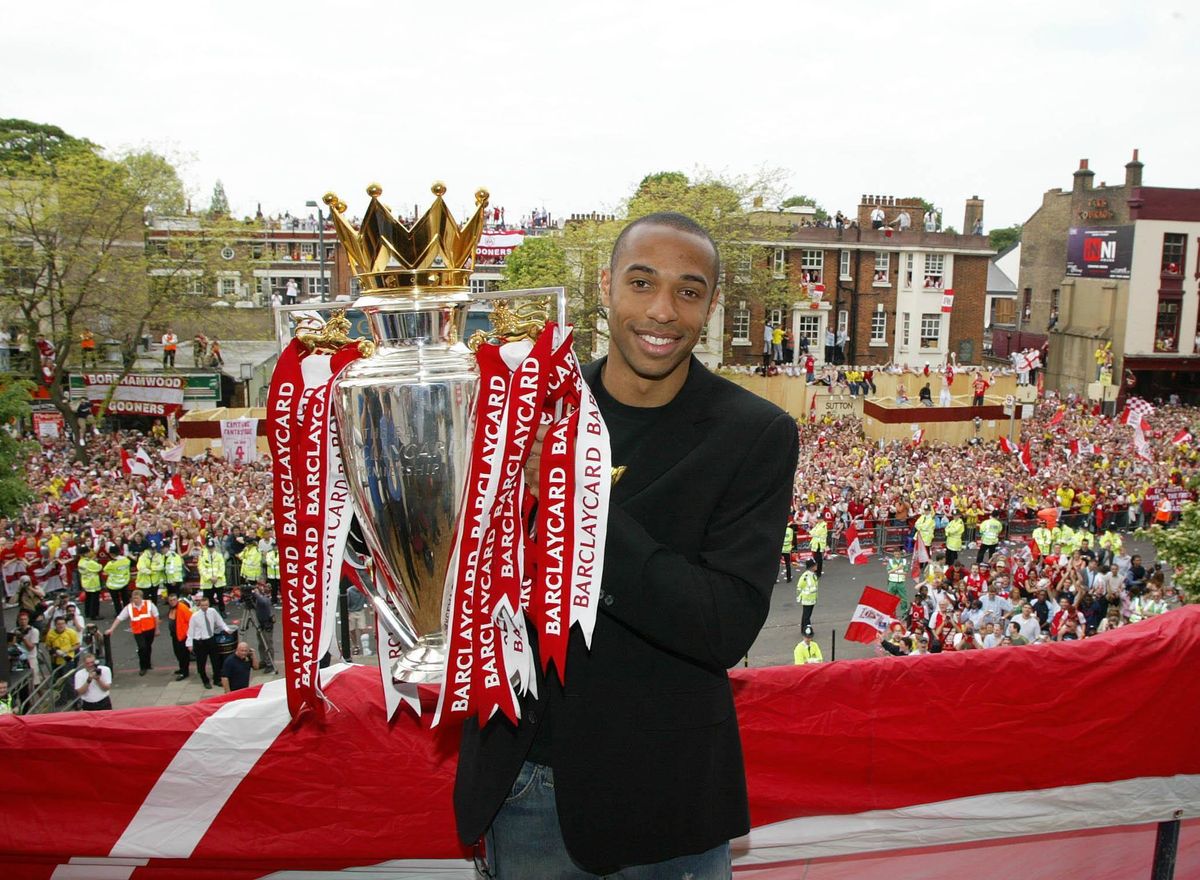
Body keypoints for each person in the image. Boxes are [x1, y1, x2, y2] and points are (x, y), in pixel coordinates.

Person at [454, 212, 799, 878]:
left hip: (667, 804)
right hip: (526, 784)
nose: (662, 310)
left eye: (688, 291)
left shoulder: (754, 433)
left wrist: (578, 511)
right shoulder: (524, 412)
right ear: (607, 287)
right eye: (642, 283)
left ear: (710, 306)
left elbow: (722, 624)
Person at [186, 594, 235, 690]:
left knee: (215, 661)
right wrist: (189, 644)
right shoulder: (195, 616)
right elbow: (190, 631)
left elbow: (220, 621)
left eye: (206, 605)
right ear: (199, 605)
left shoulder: (212, 612)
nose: (205, 607)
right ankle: (205, 680)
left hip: (210, 639)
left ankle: (217, 679)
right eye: (203, 605)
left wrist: (226, 629)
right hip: (200, 642)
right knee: (201, 663)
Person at [106, 588, 159, 675]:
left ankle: (148, 664)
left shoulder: (149, 604)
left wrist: (157, 629)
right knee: (142, 648)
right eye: (134, 598)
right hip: (138, 631)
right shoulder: (129, 608)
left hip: (149, 630)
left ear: (141, 598)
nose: (135, 600)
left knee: (148, 647)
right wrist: (112, 629)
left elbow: (156, 616)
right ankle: (143, 667)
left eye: (137, 598)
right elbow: (119, 618)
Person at [165, 593, 193, 680]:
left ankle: (185, 672)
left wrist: (188, 634)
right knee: (178, 653)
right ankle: (182, 669)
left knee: (183, 655)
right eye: (170, 600)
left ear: (177, 599)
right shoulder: (172, 608)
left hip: (182, 636)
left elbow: (191, 620)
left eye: (174, 600)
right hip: (175, 635)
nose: (172, 602)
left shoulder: (182, 608)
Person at [795, 558, 819, 632]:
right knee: (806, 616)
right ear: (811, 567)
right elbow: (799, 587)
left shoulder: (813, 575)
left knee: (807, 615)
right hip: (807, 599)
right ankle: (807, 630)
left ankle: (803, 629)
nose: (816, 566)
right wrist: (799, 598)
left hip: (812, 599)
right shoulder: (805, 576)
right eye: (815, 565)